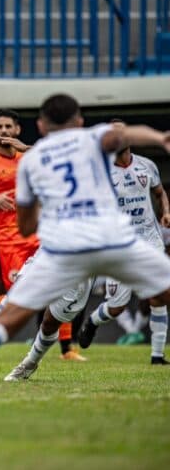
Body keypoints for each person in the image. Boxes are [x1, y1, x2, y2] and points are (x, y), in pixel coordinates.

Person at [0, 94, 170, 414]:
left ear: (40, 125)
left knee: (8, 318)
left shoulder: (31, 161)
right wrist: (161, 138)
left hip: (64, 249)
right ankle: (27, 363)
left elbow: (26, 227)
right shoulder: (92, 138)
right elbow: (124, 135)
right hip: (114, 242)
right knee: (155, 292)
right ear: (80, 121)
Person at [0, 110, 82, 361]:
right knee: (25, 292)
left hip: (36, 234)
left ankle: (67, 349)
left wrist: (27, 149)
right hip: (6, 239)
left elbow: (58, 160)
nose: (4, 131)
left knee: (57, 283)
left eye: (9, 127)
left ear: (17, 130)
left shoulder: (29, 157)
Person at [76, 123, 170, 364]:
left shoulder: (146, 165)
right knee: (117, 306)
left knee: (158, 295)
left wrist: (165, 212)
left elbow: (159, 193)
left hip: (149, 237)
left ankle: (157, 355)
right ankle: (93, 321)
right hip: (119, 244)